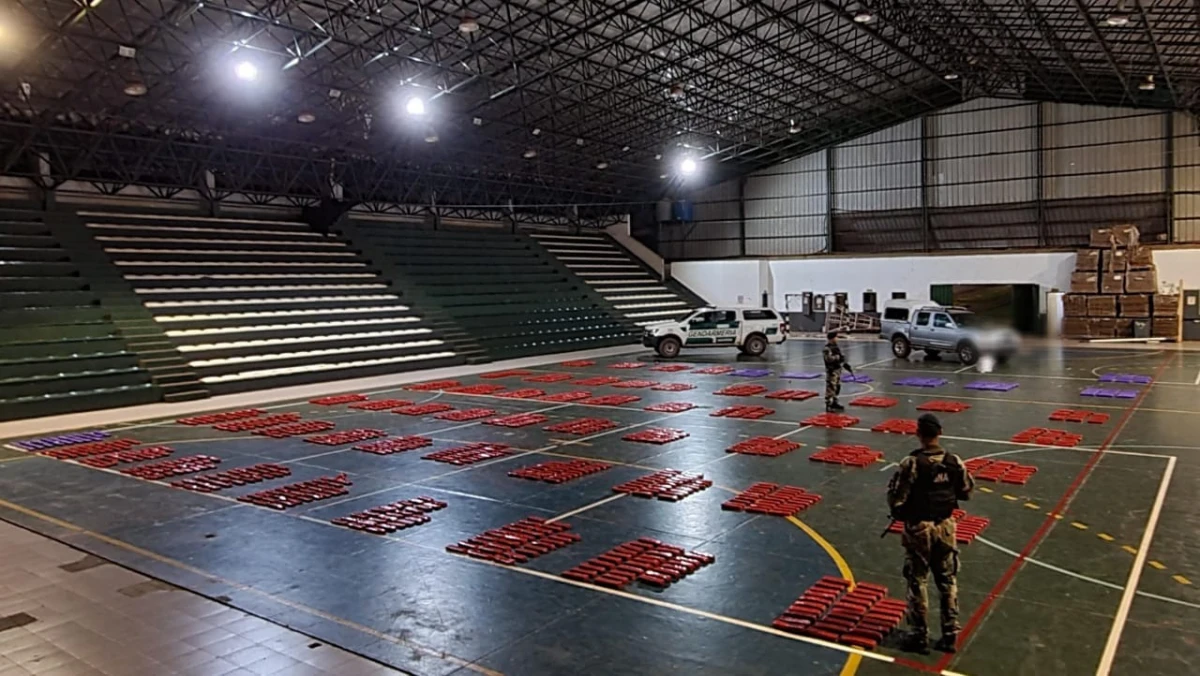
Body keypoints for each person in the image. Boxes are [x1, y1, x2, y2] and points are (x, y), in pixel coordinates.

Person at [886, 413, 975, 655]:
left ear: (919, 434)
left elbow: (896, 499)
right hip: (946, 527)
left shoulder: (911, 463)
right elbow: (966, 492)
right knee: (947, 580)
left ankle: (919, 635)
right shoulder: (954, 461)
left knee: (918, 580)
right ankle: (949, 634)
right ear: (940, 432)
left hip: (919, 529)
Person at [822, 331, 852, 411]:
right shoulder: (827, 348)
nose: (837, 339)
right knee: (831, 387)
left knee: (837, 387)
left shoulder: (835, 347)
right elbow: (828, 359)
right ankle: (829, 404)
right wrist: (838, 357)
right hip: (831, 370)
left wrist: (845, 363)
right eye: (836, 337)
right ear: (832, 338)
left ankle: (834, 402)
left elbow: (841, 357)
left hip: (837, 369)